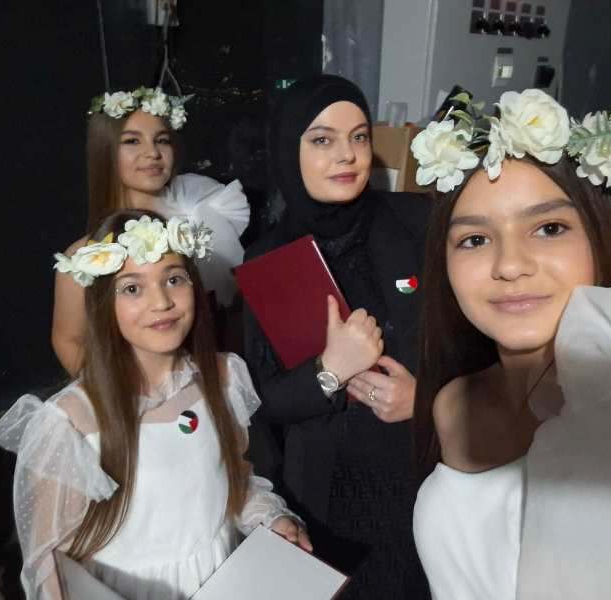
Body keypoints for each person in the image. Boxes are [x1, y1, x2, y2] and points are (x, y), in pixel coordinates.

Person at [410, 88, 611, 599]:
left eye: (548, 228)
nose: (510, 265)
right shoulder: (453, 402)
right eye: (475, 239)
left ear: (599, 239)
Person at [0, 210, 310, 600]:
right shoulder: (71, 423)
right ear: (102, 302)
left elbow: (232, 485)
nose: (161, 302)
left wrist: (272, 518)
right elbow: (50, 568)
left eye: (173, 279)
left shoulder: (223, 378)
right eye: (132, 288)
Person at [243, 75, 430, 598]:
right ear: (289, 151)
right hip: (325, 494)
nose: (347, 155)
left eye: (359, 137)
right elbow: (261, 401)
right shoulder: (269, 258)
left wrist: (426, 399)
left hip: (421, 480)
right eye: (322, 140)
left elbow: (477, 351)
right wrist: (330, 370)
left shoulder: (419, 223)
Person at [53, 86, 249, 376]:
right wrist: (120, 395)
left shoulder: (201, 221)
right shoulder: (88, 256)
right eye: (132, 141)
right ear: (105, 150)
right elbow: (69, 339)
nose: (152, 153)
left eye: (162, 140)